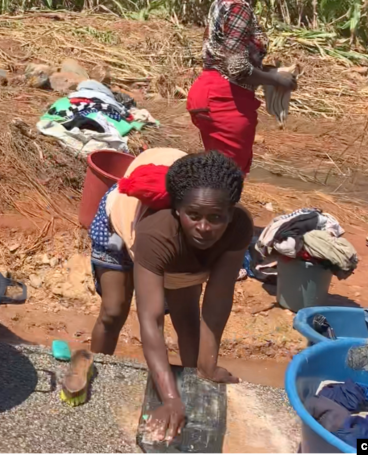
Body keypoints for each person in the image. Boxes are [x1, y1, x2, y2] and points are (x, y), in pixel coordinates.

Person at [88, 149, 251, 442]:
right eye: (194, 215)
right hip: (119, 222)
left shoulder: (239, 226)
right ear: (177, 209)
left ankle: (193, 377)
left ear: (231, 212)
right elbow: (151, 321)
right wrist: (170, 399)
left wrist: (208, 366)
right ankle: (95, 369)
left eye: (216, 217)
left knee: (186, 318)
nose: (204, 227)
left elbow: (218, 298)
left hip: (179, 248)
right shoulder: (156, 235)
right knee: (114, 311)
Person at [187, 0, 297, 175]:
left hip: (207, 93)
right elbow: (236, 68)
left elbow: (228, 56)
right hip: (225, 99)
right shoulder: (239, 8)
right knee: (226, 180)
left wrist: (267, 71)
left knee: (215, 175)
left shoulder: (224, 1)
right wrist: (276, 79)